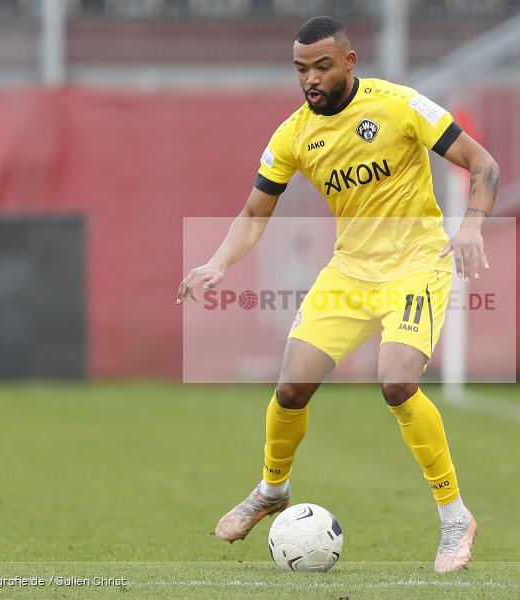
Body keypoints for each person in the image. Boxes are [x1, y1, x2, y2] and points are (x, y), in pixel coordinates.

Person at [176, 15, 498, 573]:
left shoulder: (400, 105)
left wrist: (470, 223)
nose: (311, 79)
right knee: (291, 387)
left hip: (417, 264)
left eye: (322, 66)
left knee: (397, 383)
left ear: (349, 62)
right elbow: (256, 214)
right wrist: (216, 262)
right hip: (350, 271)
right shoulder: (294, 134)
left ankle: (453, 517)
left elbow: (482, 163)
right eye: (301, 69)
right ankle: (272, 490)